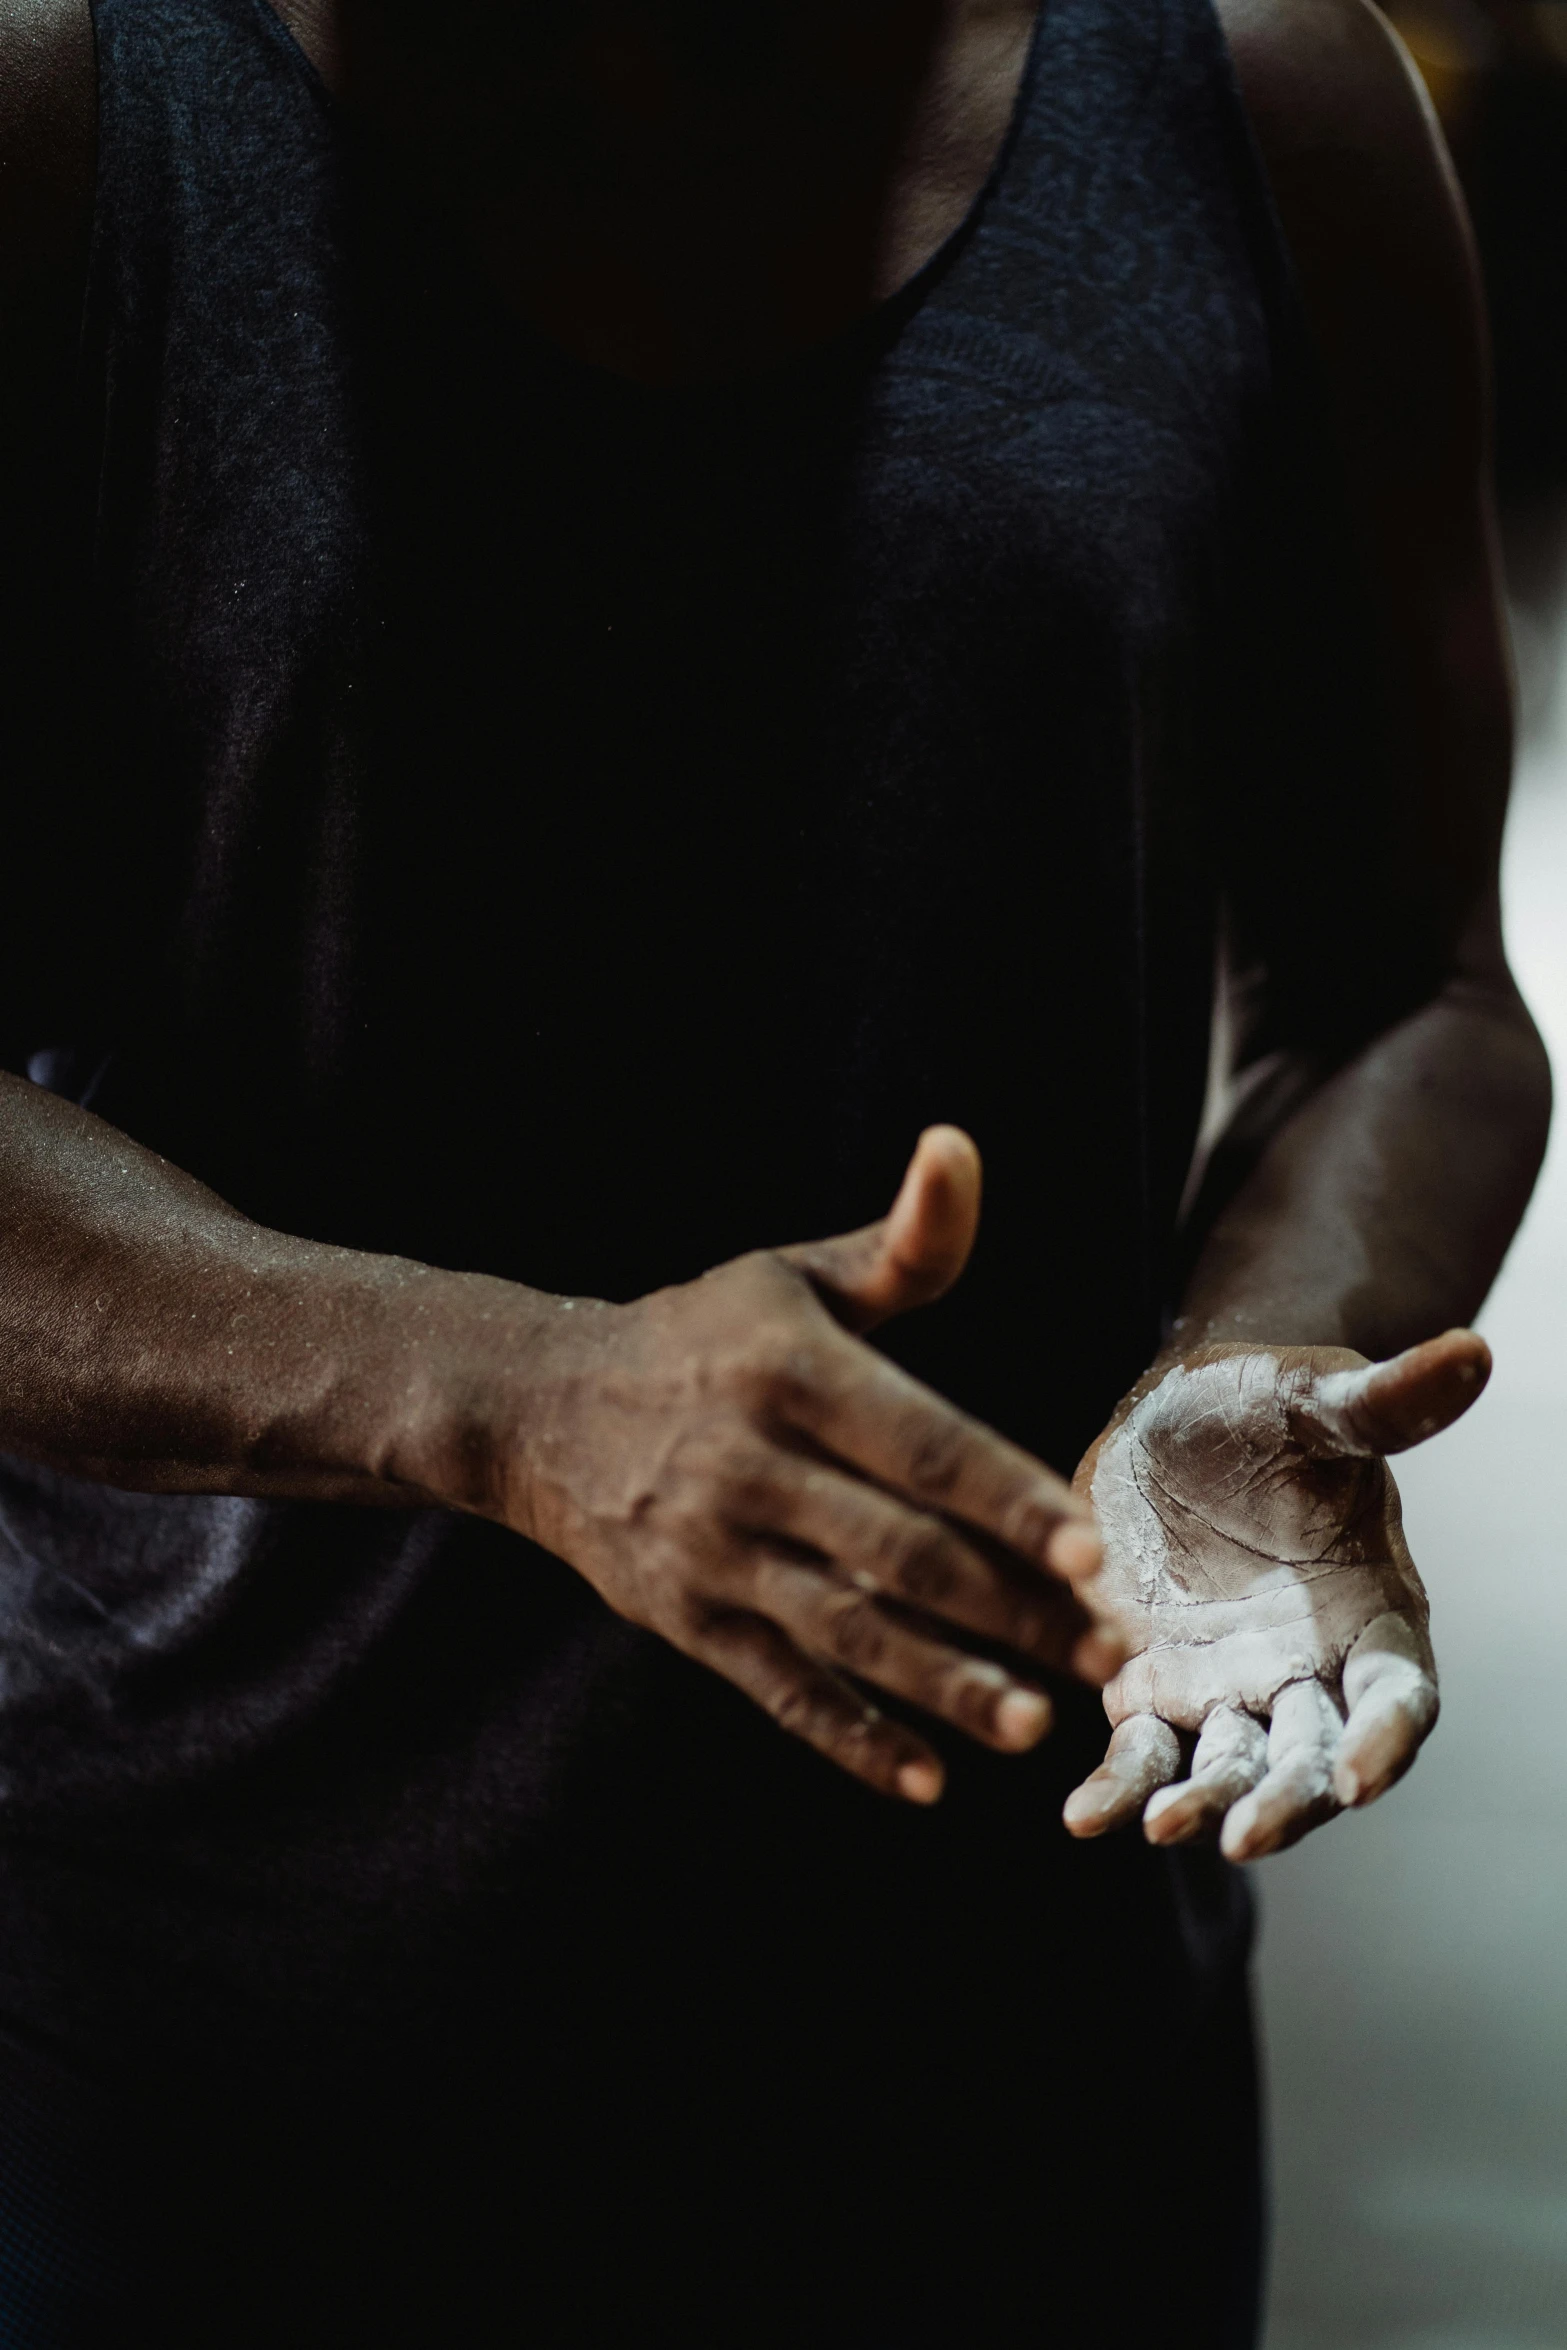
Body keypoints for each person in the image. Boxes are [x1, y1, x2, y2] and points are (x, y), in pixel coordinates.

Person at [0, 0, 1547, 2340]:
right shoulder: (75, 112)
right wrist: (515, 1394)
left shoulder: (1258, 102)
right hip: (197, 2074)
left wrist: (1259, 1341)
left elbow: (1404, 978)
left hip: (1013, 2068)